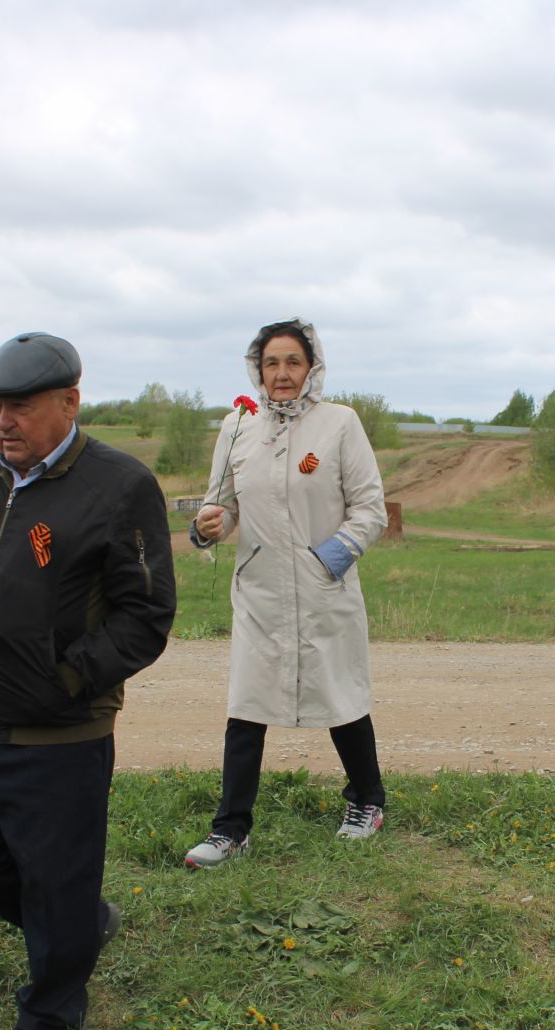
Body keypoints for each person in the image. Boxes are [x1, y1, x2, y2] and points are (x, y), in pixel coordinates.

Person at [0, 331, 176, 1030]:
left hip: (62, 731)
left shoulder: (120, 486)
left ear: (70, 402)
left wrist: (69, 679)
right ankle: (80, 928)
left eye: (20, 406)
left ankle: (52, 1014)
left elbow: (144, 615)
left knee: (57, 875)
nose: (3, 421)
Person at [181, 318, 388, 868]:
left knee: (340, 694)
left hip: (325, 589)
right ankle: (230, 829)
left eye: (292, 362)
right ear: (258, 369)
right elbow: (222, 505)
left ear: (311, 366)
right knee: (246, 703)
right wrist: (208, 526)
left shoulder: (340, 424)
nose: (282, 374)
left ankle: (367, 801)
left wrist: (328, 560)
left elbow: (371, 509)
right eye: (271, 363)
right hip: (260, 592)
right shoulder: (238, 427)